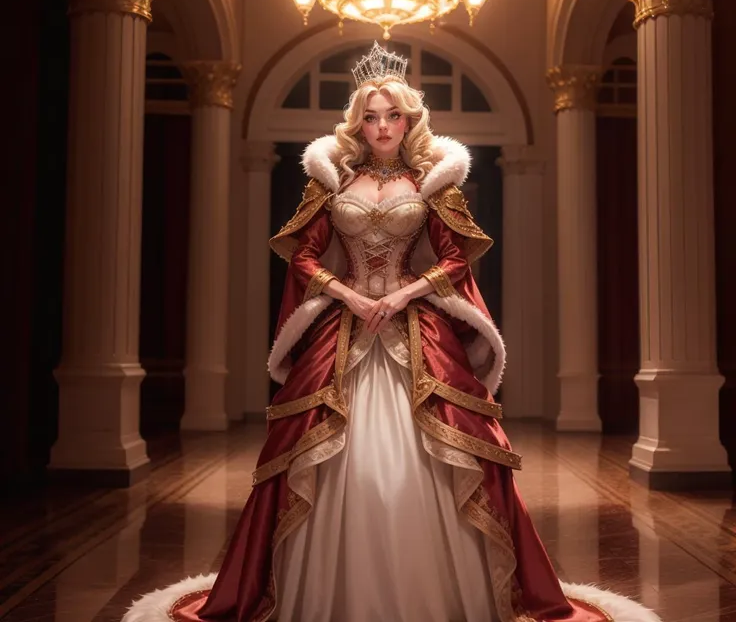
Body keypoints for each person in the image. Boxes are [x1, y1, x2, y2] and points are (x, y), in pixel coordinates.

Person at [123, 42, 659, 622]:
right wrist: (347, 293)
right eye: (371, 117)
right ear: (358, 123)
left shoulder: (435, 181)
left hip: (415, 324)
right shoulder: (330, 180)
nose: (381, 127)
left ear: (410, 120)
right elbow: (302, 256)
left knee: (436, 458)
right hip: (344, 323)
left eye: (392, 115)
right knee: (323, 456)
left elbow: (456, 259)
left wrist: (404, 292)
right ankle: (321, 595)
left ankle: (445, 595)